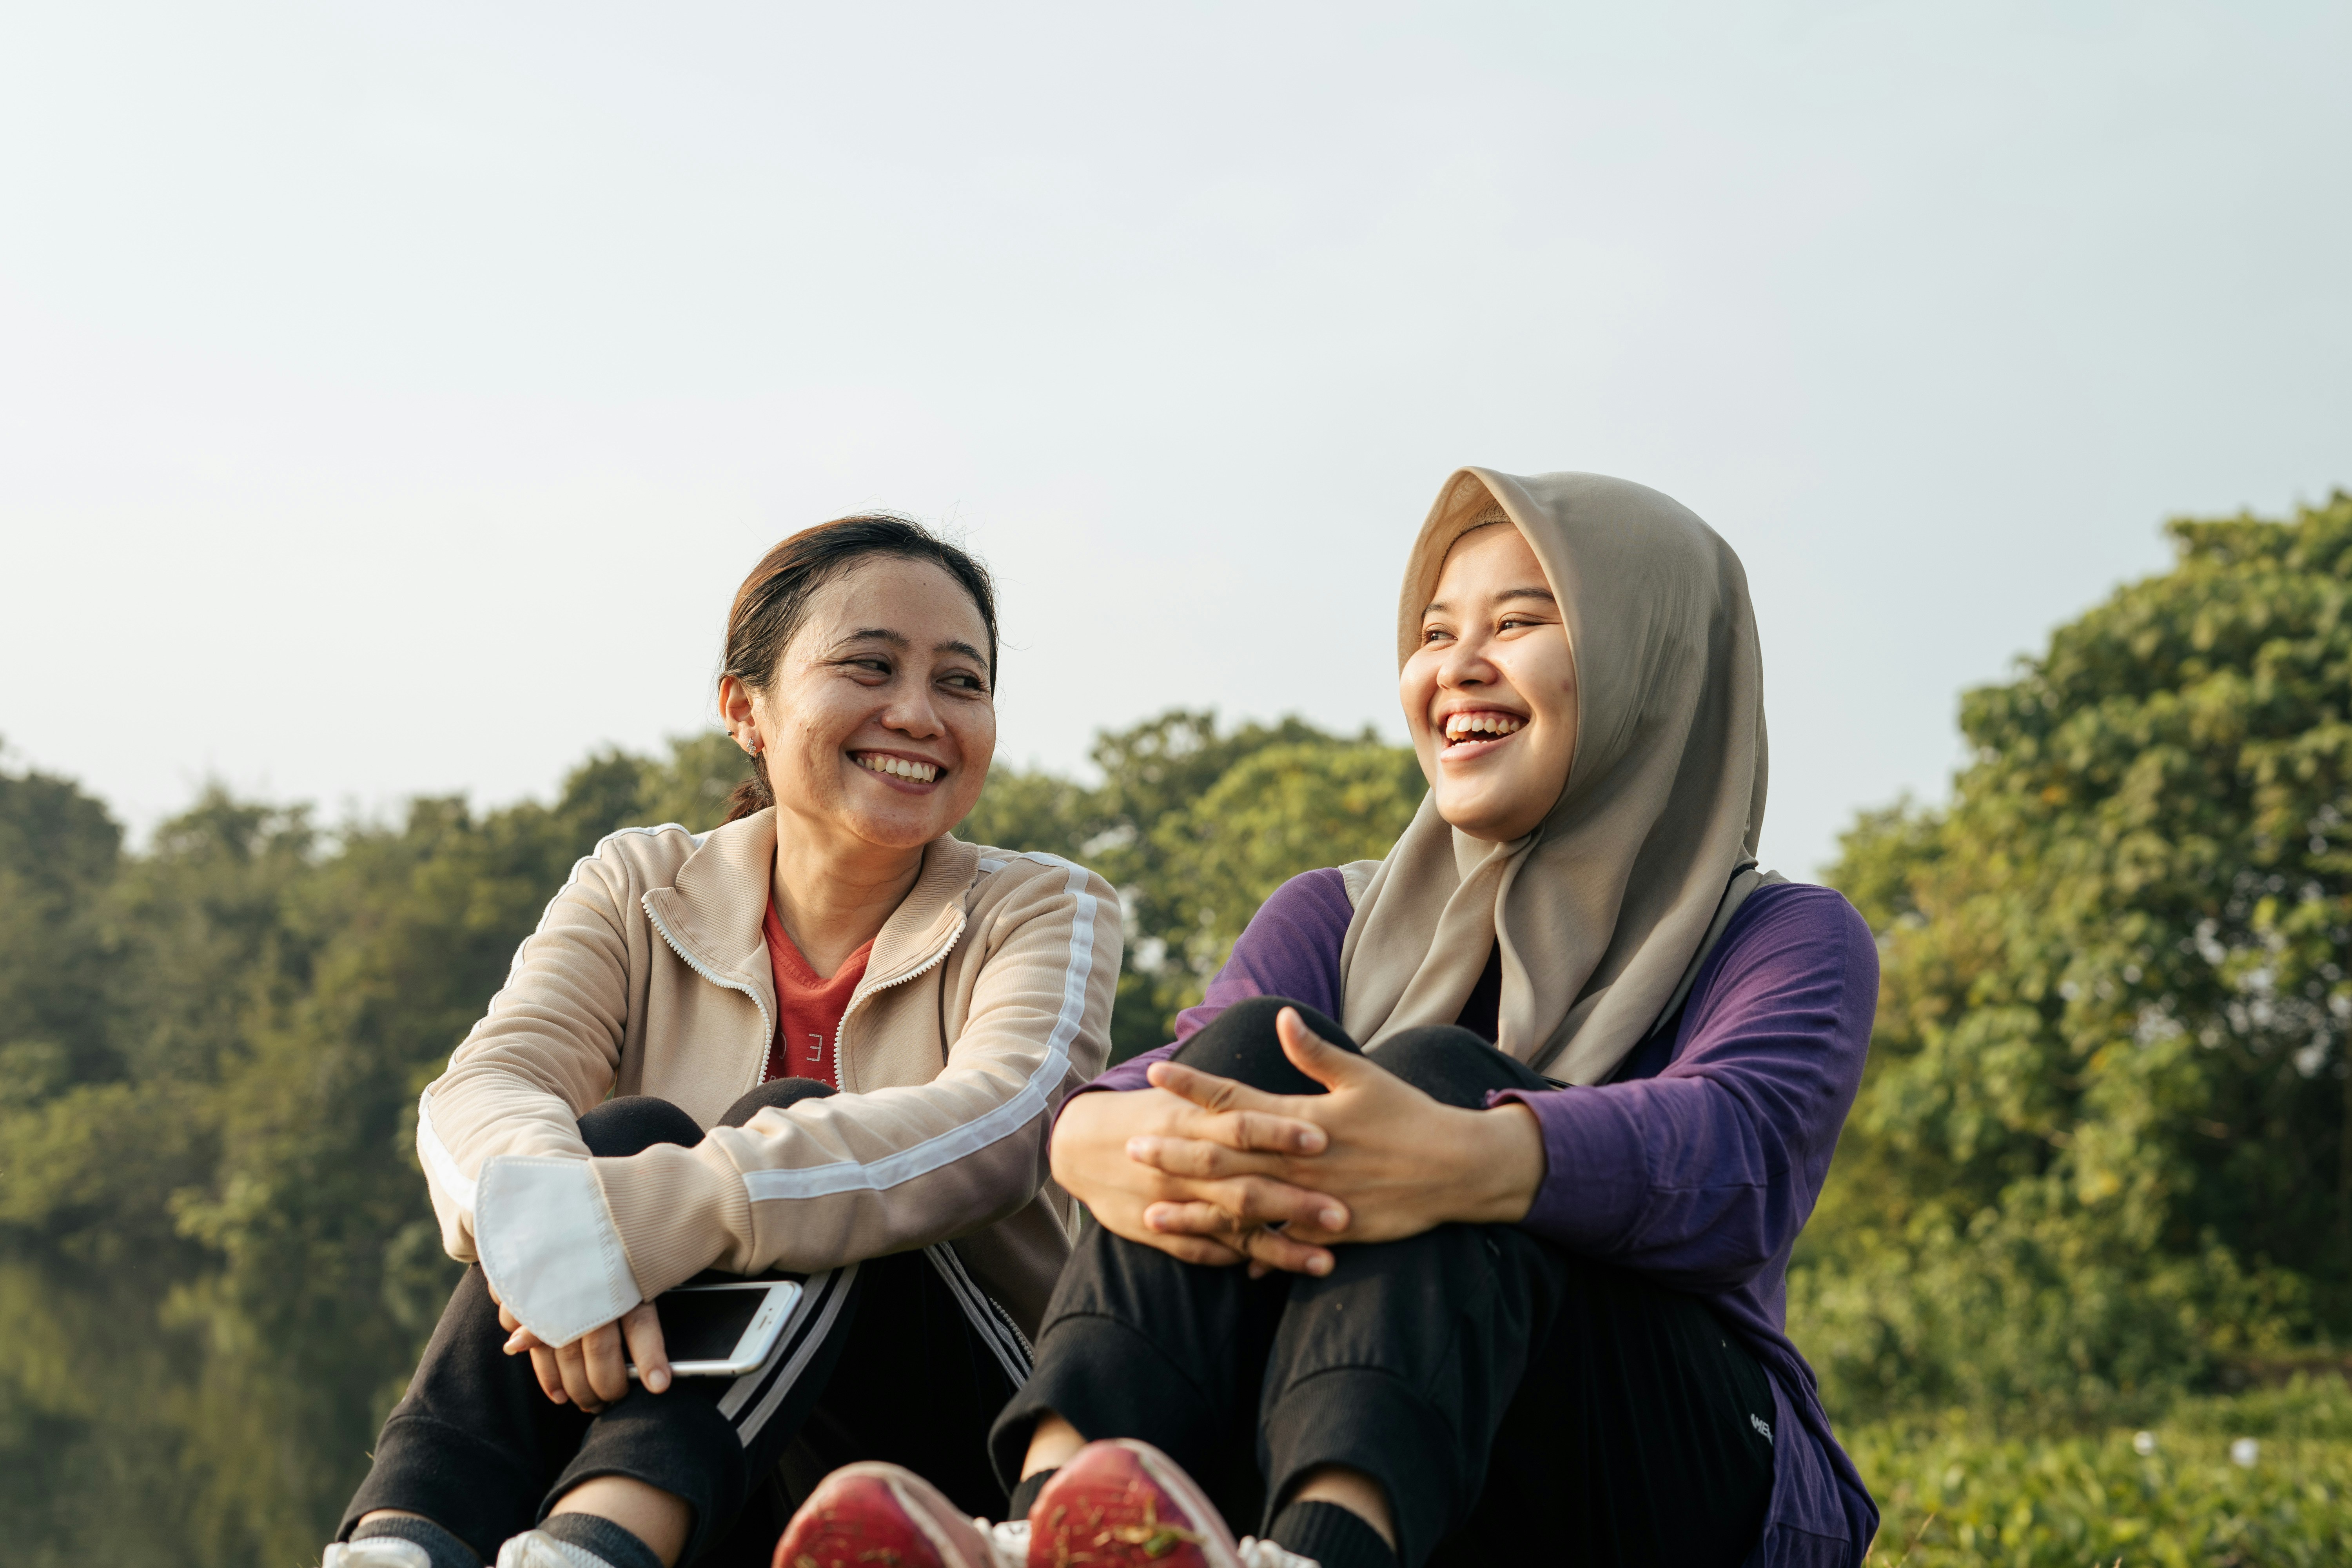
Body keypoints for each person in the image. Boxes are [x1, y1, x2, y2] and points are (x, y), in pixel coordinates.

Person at [770, 469, 1882, 1568]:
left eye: (1522, 623)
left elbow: (1736, 1163)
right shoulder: (1334, 915)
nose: (1458, 668)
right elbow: (1184, 1071)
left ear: (1656, 660)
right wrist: (1093, 1128)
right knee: (1248, 1057)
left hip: (1660, 1458)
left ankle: (1327, 1547)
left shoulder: (1781, 936)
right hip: (1299, 1415)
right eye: (1436, 631)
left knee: (1439, 1070)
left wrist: (1471, 1152)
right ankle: (1060, 1515)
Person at [324, 516, 1120, 1568]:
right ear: (744, 708)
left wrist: (668, 1218)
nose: (920, 714)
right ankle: (406, 1541)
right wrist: (561, 1246)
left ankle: (600, 1543)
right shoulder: (637, 882)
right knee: (609, 1133)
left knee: (793, 1129)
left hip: (944, 1444)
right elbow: (484, 1089)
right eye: (870, 667)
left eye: (961, 683)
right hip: (693, 1445)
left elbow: (1004, 1126)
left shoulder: (1043, 907)